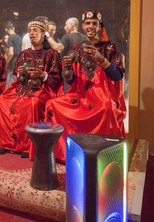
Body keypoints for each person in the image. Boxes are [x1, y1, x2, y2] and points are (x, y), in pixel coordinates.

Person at [44, 10, 126, 162]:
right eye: (88, 23)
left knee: (107, 108)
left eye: (94, 23)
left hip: (103, 95)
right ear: (82, 26)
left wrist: (100, 58)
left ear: (99, 26)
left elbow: (118, 75)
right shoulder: (76, 49)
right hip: (79, 95)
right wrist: (67, 69)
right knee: (52, 104)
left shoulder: (109, 47)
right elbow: (70, 81)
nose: (91, 26)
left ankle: (105, 155)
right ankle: (62, 152)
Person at [0, 18, 63, 158]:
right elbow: (18, 78)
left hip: (42, 88)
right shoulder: (23, 54)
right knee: (0, 101)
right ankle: (6, 142)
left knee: (32, 103)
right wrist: (21, 73)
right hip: (22, 88)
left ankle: (28, 146)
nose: (31, 33)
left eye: (35, 31)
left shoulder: (52, 54)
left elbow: (56, 79)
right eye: (30, 31)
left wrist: (42, 75)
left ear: (43, 33)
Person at [4, 22, 22, 88]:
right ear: (13, 28)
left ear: (6, 30)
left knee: (10, 87)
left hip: (13, 65)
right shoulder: (20, 38)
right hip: (19, 64)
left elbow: (11, 53)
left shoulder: (10, 38)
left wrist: (7, 62)